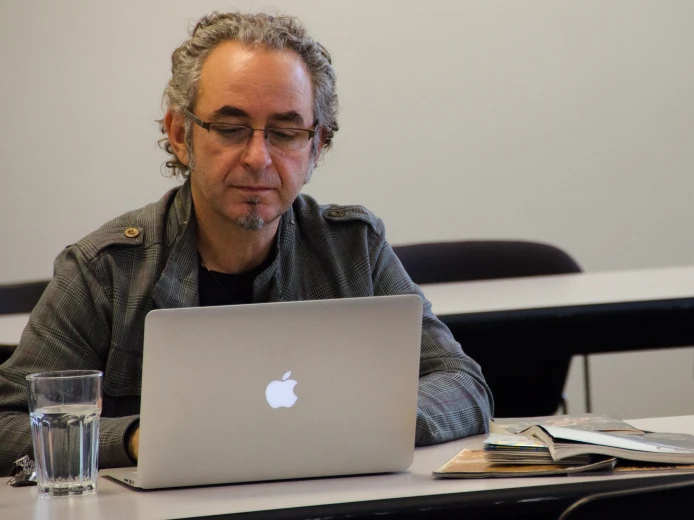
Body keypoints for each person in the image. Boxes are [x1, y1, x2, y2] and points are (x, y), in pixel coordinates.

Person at [0, 12, 493, 475]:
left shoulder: (352, 250)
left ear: (317, 145)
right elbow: (7, 423)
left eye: (285, 132)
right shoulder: (104, 270)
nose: (258, 158)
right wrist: (132, 439)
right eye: (231, 129)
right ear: (179, 134)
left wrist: (361, 424)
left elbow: (463, 385)